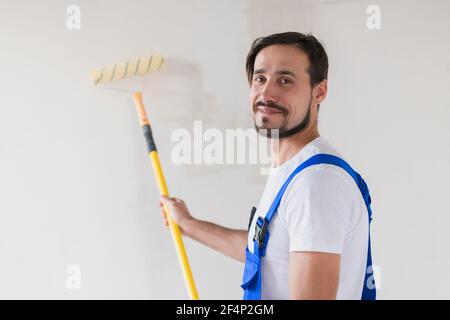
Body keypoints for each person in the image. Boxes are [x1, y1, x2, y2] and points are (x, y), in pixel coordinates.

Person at [158, 32, 375, 300]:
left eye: (285, 80)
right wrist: (188, 224)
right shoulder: (294, 171)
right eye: (260, 78)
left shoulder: (316, 183)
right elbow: (268, 253)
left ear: (319, 92)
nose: (267, 92)